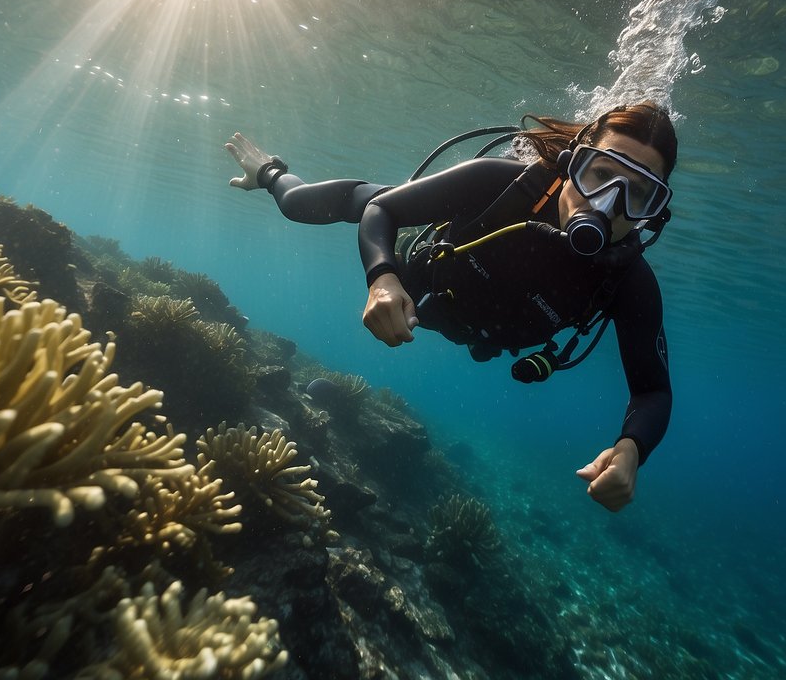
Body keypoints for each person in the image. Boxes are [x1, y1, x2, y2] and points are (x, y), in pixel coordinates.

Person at [225, 102, 676, 511]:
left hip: (474, 326)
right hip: (417, 264)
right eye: (601, 174)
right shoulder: (502, 182)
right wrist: (382, 279)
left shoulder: (630, 281)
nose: (608, 204)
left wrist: (631, 449)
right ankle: (268, 171)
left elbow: (652, 389)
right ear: (574, 161)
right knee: (302, 204)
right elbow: (381, 210)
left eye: (638, 193)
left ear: (652, 212)